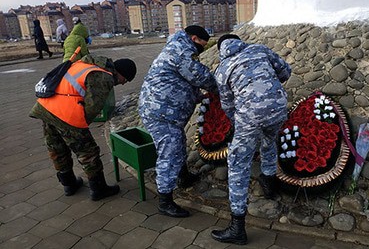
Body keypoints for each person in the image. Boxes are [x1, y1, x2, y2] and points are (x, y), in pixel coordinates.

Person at [211, 34, 292, 245]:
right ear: (240, 41)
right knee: (269, 142)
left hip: (250, 115)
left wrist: (240, 123)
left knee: (238, 164)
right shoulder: (260, 49)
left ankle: (237, 227)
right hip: (279, 108)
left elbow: (228, 105)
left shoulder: (222, 70)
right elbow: (285, 71)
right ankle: (269, 183)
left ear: (221, 49)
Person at [29, 54, 137, 201]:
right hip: (65, 113)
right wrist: (79, 130)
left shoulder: (87, 65)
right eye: (126, 80)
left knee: (57, 147)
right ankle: (99, 189)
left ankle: (69, 184)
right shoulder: (103, 77)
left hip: (47, 107)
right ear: (121, 74)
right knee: (88, 152)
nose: (123, 84)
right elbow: (93, 108)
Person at [138, 25, 218, 218]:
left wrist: (196, 97)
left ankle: (183, 177)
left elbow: (182, 81)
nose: (202, 49)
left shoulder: (176, 46)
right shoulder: (182, 50)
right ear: (193, 38)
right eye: (202, 44)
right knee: (169, 154)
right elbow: (200, 76)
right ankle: (165, 201)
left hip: (164, 110)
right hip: (161, 113)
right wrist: (219, 88)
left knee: (177, 144)